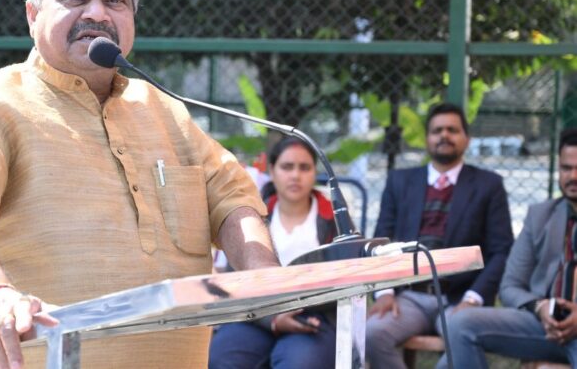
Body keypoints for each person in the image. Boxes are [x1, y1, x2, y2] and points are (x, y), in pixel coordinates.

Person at [0, 0, 279, 369]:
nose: (98, 13)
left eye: (115, 0)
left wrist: (263, 274)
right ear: (32, 14)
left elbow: (233, 200)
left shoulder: (166, 111)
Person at [365, 102, 514, 369]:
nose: (444, 135)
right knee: (372, 332)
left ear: (467, 139)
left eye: (452, 130)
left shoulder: (488, 185)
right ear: (427, 139)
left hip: (460, 298)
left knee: (464, 341)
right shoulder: (400, 181)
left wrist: (473, 299)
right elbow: (381, 243)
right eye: (437, 131)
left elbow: (501, 251)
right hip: (409, 296)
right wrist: (385, 292)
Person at [441, 128, 577, 368]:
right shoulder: (540, 216)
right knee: (461, 323)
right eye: (566, 168)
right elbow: (510, 286)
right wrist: (540, 307)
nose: (573, 176)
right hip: (542, 325)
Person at [208, 137, 337, 368]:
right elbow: (236, 281)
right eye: (287, 167)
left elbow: (345, 279)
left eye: (304, 167)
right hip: (255, 313)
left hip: (312, 316)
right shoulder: (250, 217)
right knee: (222, 357)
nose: (295, 175)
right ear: (272, 171)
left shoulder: (333, 218)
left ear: (314, 173)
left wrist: (301, 310)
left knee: (300, 363)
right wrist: (273, 319)